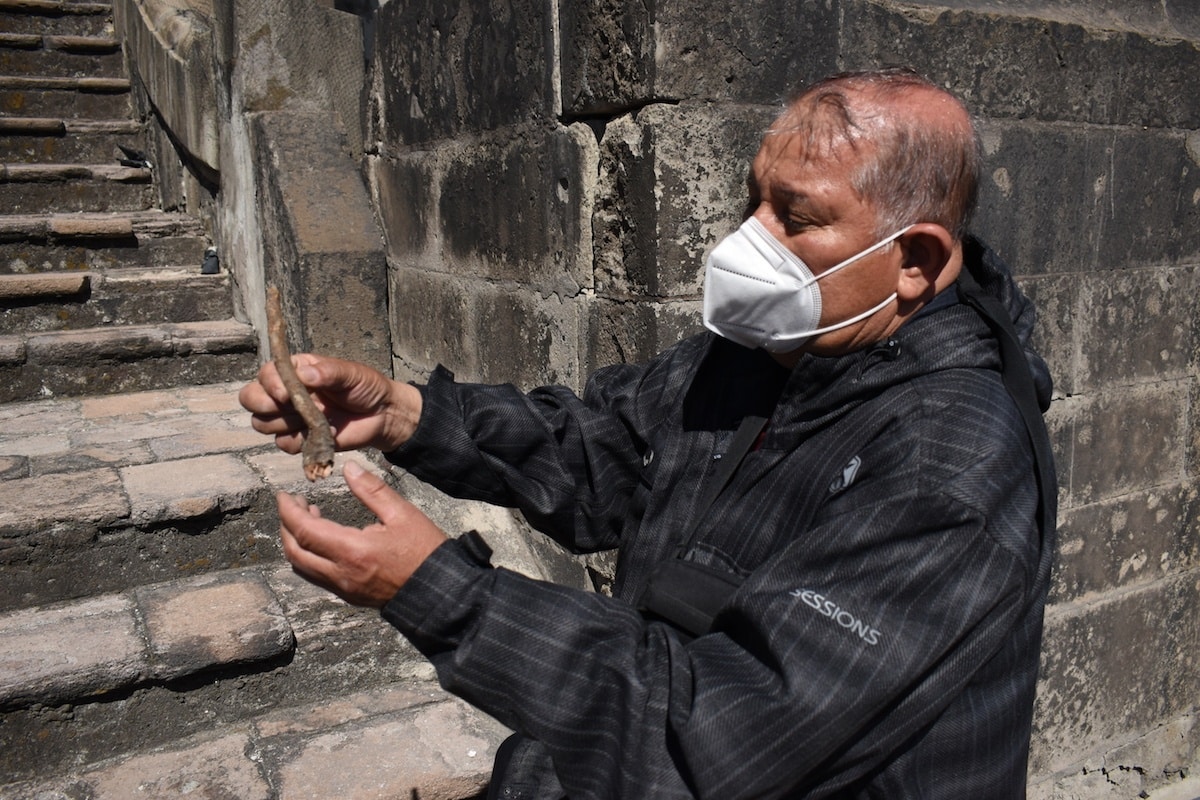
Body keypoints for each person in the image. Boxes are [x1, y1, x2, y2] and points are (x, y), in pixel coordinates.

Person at [240, 67, 1056, 799]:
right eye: (754, 201)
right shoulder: (768, 349)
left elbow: (716, 742)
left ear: (915, 259)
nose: (747, 241)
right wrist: (409, 415)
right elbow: (609, 450)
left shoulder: (948, 467)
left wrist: (447, 597)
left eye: (798, 218)